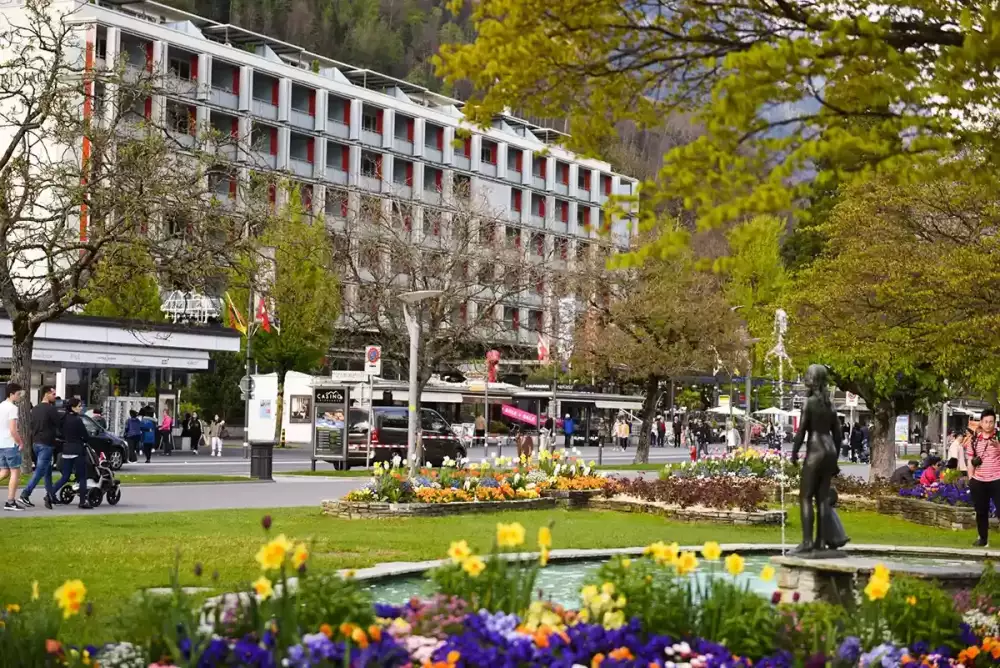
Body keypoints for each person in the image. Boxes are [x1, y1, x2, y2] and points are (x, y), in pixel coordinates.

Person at [790, 364, 846, 554]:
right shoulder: (830, 405)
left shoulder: (809, 403)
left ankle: (807, 542)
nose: (805, 377)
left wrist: (794, 452)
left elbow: (801, 431)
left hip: (815, 451)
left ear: (814, 379)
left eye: (807, 374)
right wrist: (836, 458)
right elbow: (838, 435)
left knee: (805, 497)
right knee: (822, 499)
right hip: (829, 451)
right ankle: (820, 542)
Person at [20, 385, 61, 509]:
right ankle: (25, 494)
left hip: (36, 442)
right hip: (46, 443)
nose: (55, 396)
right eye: (53, 394)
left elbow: (31, 425)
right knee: (40, 471)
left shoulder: (35, 409)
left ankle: (51, 494)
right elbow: (59, 424)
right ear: (46, 394)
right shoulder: (51, 409)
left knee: (47, 471)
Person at [966, 408, 1000, 547]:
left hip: (997, 478)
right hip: (979, 480)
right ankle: (983, 538)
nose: (988, 425)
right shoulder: (974, 439)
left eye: (991, 422)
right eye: (986, 422)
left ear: (995, 423)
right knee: (981, 511)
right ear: (981, 423)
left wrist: (998, 446)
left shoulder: (998, 437)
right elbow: (970, 458)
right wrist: (971, 478)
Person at [53, 398, 91, 509]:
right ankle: (83, 501)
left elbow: (60, 433)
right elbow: (86, 436)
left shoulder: (64, 419)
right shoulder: (77, 420)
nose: (81, 408)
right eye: (79, 406)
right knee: (82, 476)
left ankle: (50, 493)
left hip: (66, 449)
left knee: (65, 476)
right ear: (73, 407)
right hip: (77, 450)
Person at [0, 383, 26, 511]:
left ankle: (10, 501)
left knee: (4, 471)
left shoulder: (1, 406)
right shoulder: (12, 408)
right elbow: (13, 429)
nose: (19, 396)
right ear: (11, 394)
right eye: (18, 394)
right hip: (10, 444)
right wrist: (20, 442)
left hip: (1, 443)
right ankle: (10, 502)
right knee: (15, 472)